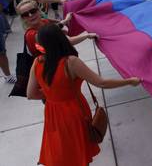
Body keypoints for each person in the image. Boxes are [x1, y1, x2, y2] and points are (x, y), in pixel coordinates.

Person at [26, 23, 140, 166]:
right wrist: (129, 81)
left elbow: (30, 94)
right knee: (77, 147)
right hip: (73, 111)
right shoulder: (71, 62)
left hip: (52, 112)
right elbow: (102, 83)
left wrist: (53, 95)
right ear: (62, 38)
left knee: (60, 145)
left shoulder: (37, 62)